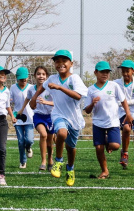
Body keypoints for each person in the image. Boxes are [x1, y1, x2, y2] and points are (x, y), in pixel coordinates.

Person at [30, 50, 87, 187]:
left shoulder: (75, 79)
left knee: (71, 147)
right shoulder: (52, 79)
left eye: (64, 61)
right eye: (57, 61)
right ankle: (59, 161)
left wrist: (60, 88)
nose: (60, 64)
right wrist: (33, 99)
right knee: (61, 133)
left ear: (71, 64)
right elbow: (41, 88)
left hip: (74, 118)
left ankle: (70, 169)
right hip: (58, 114)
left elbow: (78, 96)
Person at [83, 61, 130, 180]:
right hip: (98, 122)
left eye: (107, 72)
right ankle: (104, 170)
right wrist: (92, 104)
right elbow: (87, 111)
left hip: (112, 122)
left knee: (115, 146)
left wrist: (128, 114)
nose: (105, 74)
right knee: (99, 148)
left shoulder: (114, 86)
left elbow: (123, 100)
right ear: (95, 73)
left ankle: (108, 143)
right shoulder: (91, 90)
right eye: (102, 72)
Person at [21, 66, 55, 172]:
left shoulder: (51, 88)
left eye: (43, 74)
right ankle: (43, 161)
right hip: (38, 116)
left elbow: (57, 103)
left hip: (50, 116)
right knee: (43, 134)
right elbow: (30, 103)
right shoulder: (31, 89)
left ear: (47, 76)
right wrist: (27, 106)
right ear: (35, 76)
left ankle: (50, 159)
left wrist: (46, 102)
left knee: (50, 142)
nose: (41, 76)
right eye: (39, 74)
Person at [114, 60, 134, 169]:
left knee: (131, 130)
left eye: (127, 71)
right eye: (123, 71)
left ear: (133, 71)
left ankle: (128, 152)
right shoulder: (116, 83)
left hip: (132, 113)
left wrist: (123, 103)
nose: (124, 73)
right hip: (118, 112)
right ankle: (122, 151)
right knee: (123, 132)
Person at [9, 67, 36, 169]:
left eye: (25, 79)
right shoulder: (13, 88)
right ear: (17, 78)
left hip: (30, 118)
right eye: (21, 79)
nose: (23, 81)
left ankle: (29, 148)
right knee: (21, 141)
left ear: (28, 78)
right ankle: (23, 161)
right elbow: (9, 102)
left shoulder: (32, 88)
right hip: (18, 118)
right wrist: (12, 115)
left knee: (28, 139)